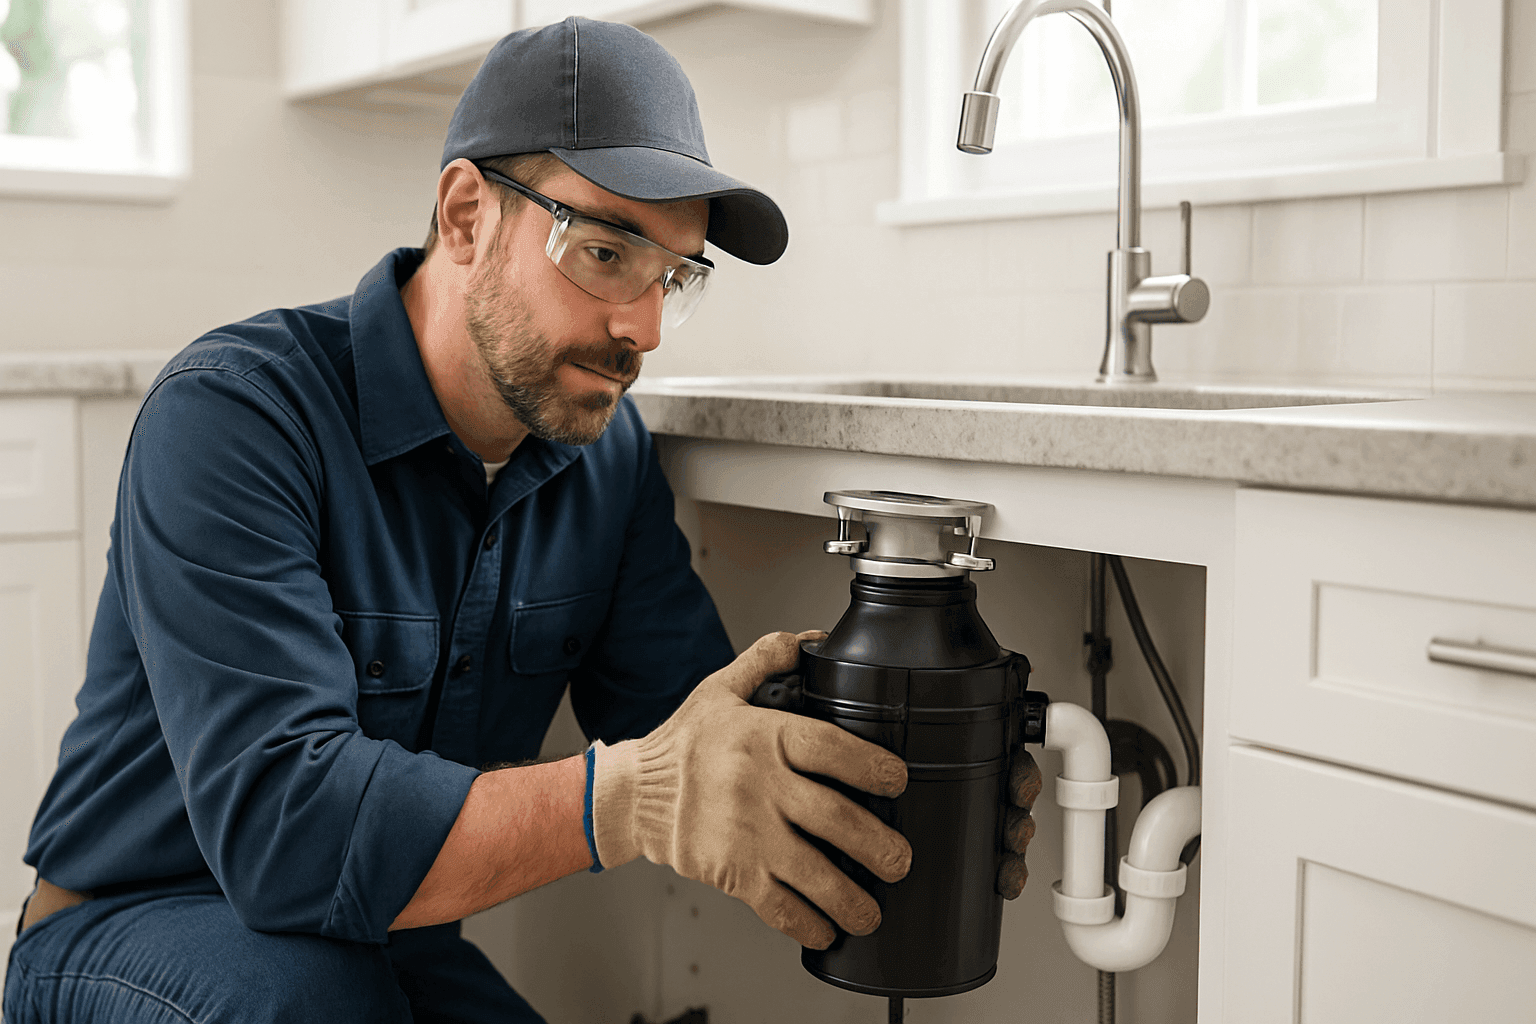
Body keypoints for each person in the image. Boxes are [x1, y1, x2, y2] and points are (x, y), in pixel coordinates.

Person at [3, 17, 1036, 1024]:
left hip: (372, 950)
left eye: (676, 275)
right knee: (313, 1001)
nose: (645, 326)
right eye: (604, 253)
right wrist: (625, 799)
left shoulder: (605, 458)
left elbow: (692, 733)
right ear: (464, 215)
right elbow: (287, 833)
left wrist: (912, 780)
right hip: (129, 937)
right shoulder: (235, 417)